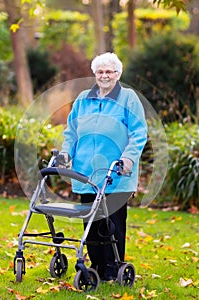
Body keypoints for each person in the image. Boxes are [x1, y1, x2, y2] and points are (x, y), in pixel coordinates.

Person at [60, 52, 147, 281]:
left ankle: (113, 266)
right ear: (94, 74)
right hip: (86, 172)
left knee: (113, 222)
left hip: (116, 174)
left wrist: (128, 158)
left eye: (109, 71)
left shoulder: (128, 98)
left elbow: (138, 133)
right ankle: (97, 266)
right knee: (91, 221)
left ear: (118, 74)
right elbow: (71, 131)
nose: (105, 75)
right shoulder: (83, 99)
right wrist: (65, 152)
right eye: (100, 72)